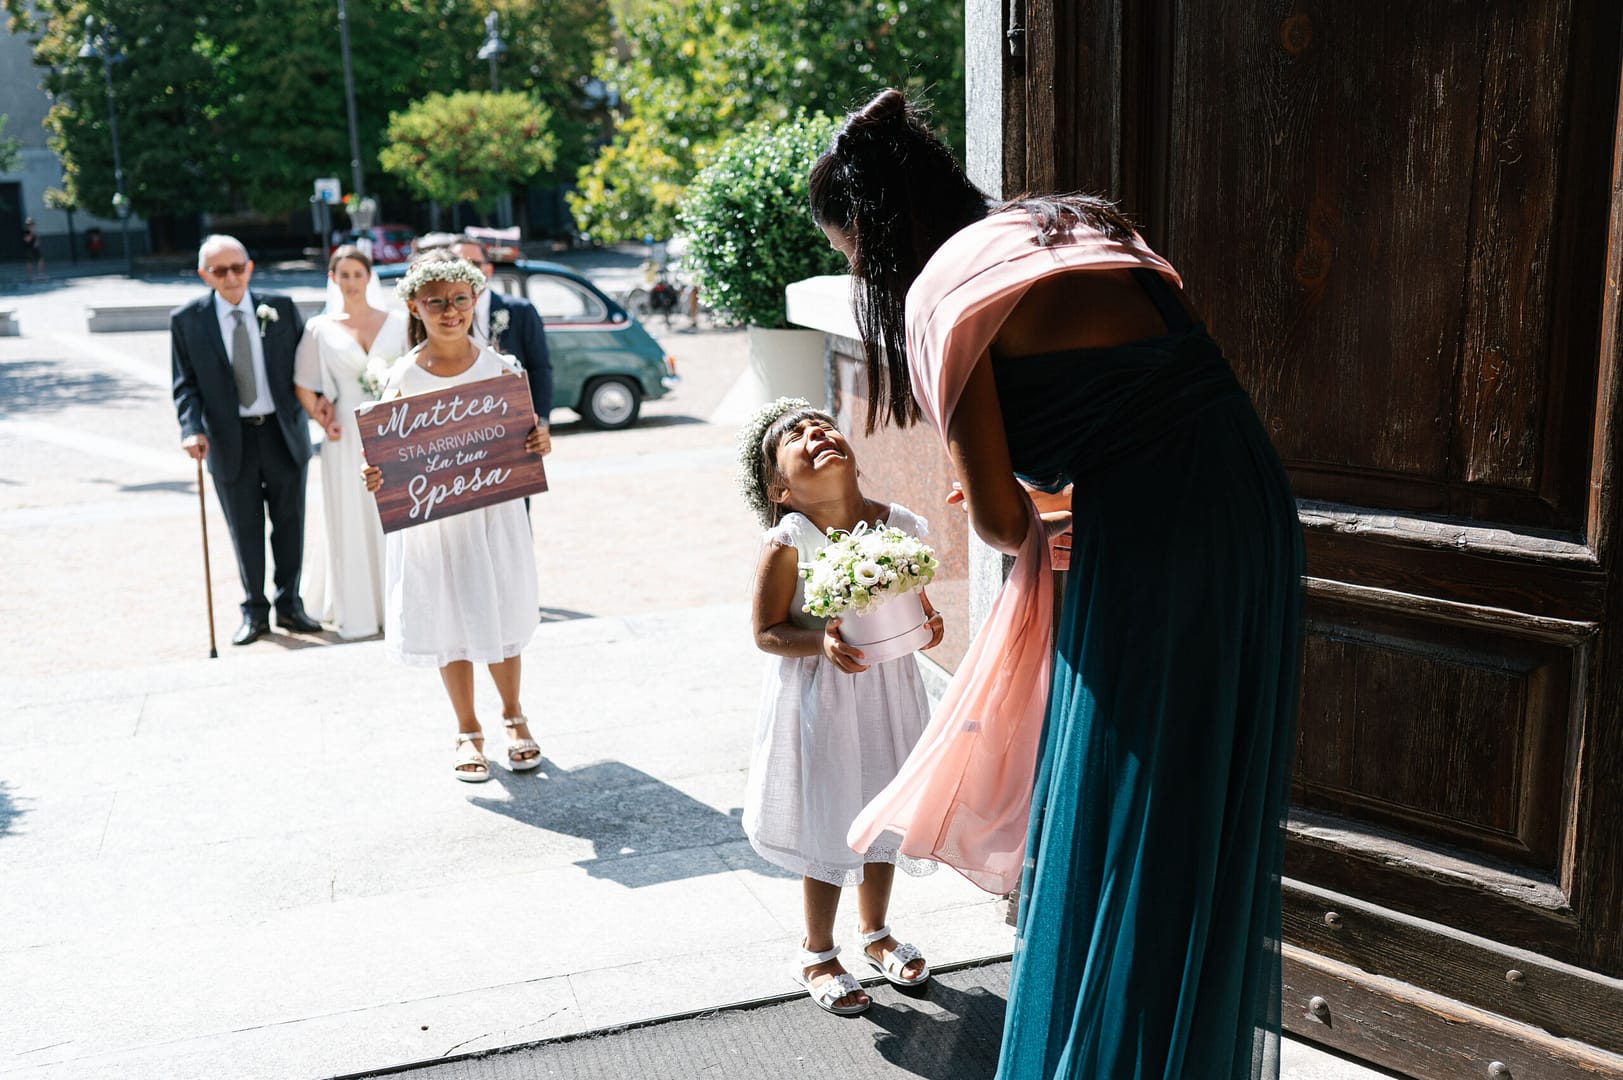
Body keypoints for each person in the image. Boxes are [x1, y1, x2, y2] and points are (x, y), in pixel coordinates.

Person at [815, 90, 1304, 1078]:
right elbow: (1171, 389)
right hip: (1256, 514)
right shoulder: (1078, 226)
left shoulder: (944, 292)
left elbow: (1001, 522)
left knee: (1124, 811)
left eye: (851, 255)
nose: (861, 274)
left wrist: (1020, 487)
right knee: (1198, 802)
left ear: (875, 230)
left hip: (1156, 544)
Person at [737, 396, 945, 1016]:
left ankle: (876, 932)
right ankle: (818, 949)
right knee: (831, 811)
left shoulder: (899, 526)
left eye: (822, 425)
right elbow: (767, 631)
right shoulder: (789, 540)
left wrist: (928, 624)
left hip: (888, 689)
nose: (815, 433)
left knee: (883, 804)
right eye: (795, 436)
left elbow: (913, 603)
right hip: (819, 697)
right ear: (780, 489)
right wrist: (821, 641)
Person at [362, 250, 549, 781]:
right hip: (434, 523)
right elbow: (383, 454)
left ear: (474, 300)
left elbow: (526, 438)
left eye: (460, 301)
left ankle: (514, 716)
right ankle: (468, 729)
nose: (450, 311)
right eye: (436, 302)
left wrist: (540, 438)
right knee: (449, 615)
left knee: (501, 610)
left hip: (492, 519)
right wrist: (372, 473)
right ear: (415, 307)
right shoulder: (403, 377)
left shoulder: (503, 369)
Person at [172, 234, 323, 645]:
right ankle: (255, 611)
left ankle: (290, 605)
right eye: (220, 271)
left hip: (281, 432)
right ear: (206, 275)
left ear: (250, 267)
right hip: (228, 439)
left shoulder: (282, 308)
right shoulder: (187, 321)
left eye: (237, 267)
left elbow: (307, 370)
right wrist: (191, 430)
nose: (231, 277)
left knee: (290, 524)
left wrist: (322, 407)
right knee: (246, 528)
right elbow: (185, 385)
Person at [292, 245, 407, 639]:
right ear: (333, 279)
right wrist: (320, 417)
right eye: (344, 275)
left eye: (358, 274)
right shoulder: (320, 328)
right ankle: (359, 609)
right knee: (351, 513)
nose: (352, 282)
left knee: (393, 515)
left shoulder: (397, 322)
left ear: (369, 277)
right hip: (345, 435)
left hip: (393, 432)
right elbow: (303, 383)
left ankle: (399, 605)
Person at [417, 233, 553, 428]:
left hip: (508, 420)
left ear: (488, 270)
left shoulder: (520, 311)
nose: (465, 271)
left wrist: (540, 422)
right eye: (459, 265)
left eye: (473, 264)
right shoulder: (437, 317)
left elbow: (540, 369)